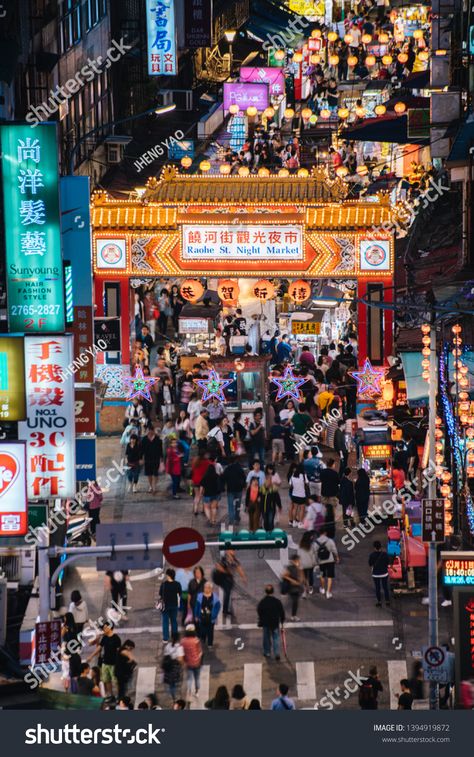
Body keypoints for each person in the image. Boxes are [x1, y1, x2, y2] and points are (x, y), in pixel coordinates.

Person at [88, 622, 121, 696]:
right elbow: (99, 648)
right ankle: (110, 695)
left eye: (106, 627)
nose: (104, 629)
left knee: (115, 681)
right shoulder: (105, 638)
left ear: (110, 628)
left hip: (114, 663)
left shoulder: (116, 638)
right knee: (106, 680)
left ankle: (118, 696)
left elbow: (119, 651)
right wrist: (91, 656)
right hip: (105, 662)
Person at [213, 550, 246, 619]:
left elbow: (239, 568)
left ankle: (225, 609)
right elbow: (218, 566)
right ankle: (225, 611)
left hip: (228, 578)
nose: (232, 552)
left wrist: (243, 577)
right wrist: (227, 571)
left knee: (228, 592)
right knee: (227, 593)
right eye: (230, 551)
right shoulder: (223, 559)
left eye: (233, 551)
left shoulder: (235, 561)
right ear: (227, 552)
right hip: (220, 577)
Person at [257, 584, 285, 660]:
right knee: (276, 638)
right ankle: (277, 653)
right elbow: (282, 612)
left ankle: (267, 652)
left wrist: (261, 619)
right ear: (273, 591)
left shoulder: (262, 602)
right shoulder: (277, 602)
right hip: (275, 623)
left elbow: (259, 611)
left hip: (266, 623)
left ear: (265, 592)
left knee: (266, 638)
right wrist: (282, 621)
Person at [195, 582, 221, 649]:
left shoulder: (215, 597)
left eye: (208, 588)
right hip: (201, 617)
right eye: (205, 587)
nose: (206, 589)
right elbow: (197, 606)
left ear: (211, 589)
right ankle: (203, 641)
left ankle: (210, 644)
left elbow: (218, 607)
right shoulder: (199, 596)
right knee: (202, 631)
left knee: (210, 631)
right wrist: (196, 616)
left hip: (210, 619)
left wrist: (214, 615)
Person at [315, 526, 339, 599]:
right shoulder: (330, 540)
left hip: (321, 561)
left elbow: (314, 552)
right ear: (325, 533)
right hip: (330, 560)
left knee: (322, 575)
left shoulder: (316, 542)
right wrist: (337, 557)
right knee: (330, 577)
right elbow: (334, 550)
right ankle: (328, 592)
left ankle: (322, 588)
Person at [159, 568, 182, 642]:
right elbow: (180, 593)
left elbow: (160, 594)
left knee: (165, 622)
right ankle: (174, 637)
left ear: (168, 575)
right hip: (174, 605)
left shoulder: (164, 584)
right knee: (174, 621)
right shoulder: (177, 584)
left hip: (165, 606)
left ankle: (165, 638)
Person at [222, 455, 246, 525]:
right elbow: (244, 477)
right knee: (237, 505)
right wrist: (244, 486)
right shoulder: (239, 468)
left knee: (230, 505)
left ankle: (231, 519)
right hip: (239, 489)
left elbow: (223, 478)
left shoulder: (227, 469)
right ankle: (237, 517)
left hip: (230, 489)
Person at [320, 458, 340, 539]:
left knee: (324, 510)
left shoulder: (322, 472)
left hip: (324, 494)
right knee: (333, 511)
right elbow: (338, 482)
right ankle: (331, 523)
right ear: (332, 465)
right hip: (332, 495)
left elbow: (321, 480)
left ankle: (324, 522)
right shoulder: (335, 473)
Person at [200, 457, 223, 526]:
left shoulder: (205, 477)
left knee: (206, 507)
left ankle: (210, 519)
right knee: (214, 508)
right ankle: (213, 520)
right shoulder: (217, 476)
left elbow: (202, 486)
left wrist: (201, 493)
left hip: (207, 494)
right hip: (216, 494)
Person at [181, 624, 203, 697]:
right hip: (197, 662)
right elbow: (200, 652)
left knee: (189, 678)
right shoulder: (196, 640)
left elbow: (182, 652)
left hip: (188, 663)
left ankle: (189, 691)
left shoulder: (183, 641)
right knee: (197, 678)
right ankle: (197, 692)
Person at [162, 632, 184, 702]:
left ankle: (173, 696)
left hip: (168, 666)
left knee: (171, 684)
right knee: (174, 683)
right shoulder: (179, 648)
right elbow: (180, 659)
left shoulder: (168, 646)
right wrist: (182, 664)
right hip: (174, 667)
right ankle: (174, 696)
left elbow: (165, 655)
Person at [140, 424, 162, 494]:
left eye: (150, 431)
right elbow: (141, 450)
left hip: (156, 458)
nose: (149, 432)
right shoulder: (144, 439)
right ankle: (150, 486)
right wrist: (141, 458)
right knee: (149, 473)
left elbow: (160, 450)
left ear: (153, 431)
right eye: (147, 431)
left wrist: (161, 459)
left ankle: (154, 486)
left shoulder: (158, 439)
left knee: (155, 473)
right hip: (147, 459)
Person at [281, 554, 304, 621]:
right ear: (294, 561)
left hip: (296, 588)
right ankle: (293, 616)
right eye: (298, 560)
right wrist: (293, 580)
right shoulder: (290, 568)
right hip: (291, 588)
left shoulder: (299, 567)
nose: (299, 561)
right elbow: (284, 576)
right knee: (295, 602)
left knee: (295, 602)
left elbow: (301, 578)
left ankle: (293, 615)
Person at [369, 540, 390, 607]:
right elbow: (388, 563)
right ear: (380, 547)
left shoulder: (372, 555)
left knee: (377, 588)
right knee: (385, 587)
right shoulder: (385, 554)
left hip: (376, 574)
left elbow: (370, 564)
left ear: (374, 547)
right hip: (384, 573)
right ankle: (387, 601)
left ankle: (379, 601)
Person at [288, 462, 309, 528]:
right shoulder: (303, 475)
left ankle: (294, 522)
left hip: (294, 494)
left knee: (295, 508)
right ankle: (300, 523)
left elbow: (290, 485)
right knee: (302, 509)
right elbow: (307, 483)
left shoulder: (293, 475)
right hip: (302, 495)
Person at [298, 531, 317, 596]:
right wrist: (314, 563)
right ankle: (311, 588)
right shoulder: (312, 545)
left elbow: (299, 555)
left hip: (303, 564)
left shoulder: (300, 546)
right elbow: (313, 555)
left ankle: (305, 589)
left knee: (305, 576)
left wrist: (299, 564)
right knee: (311, 575)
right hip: (310, 564)